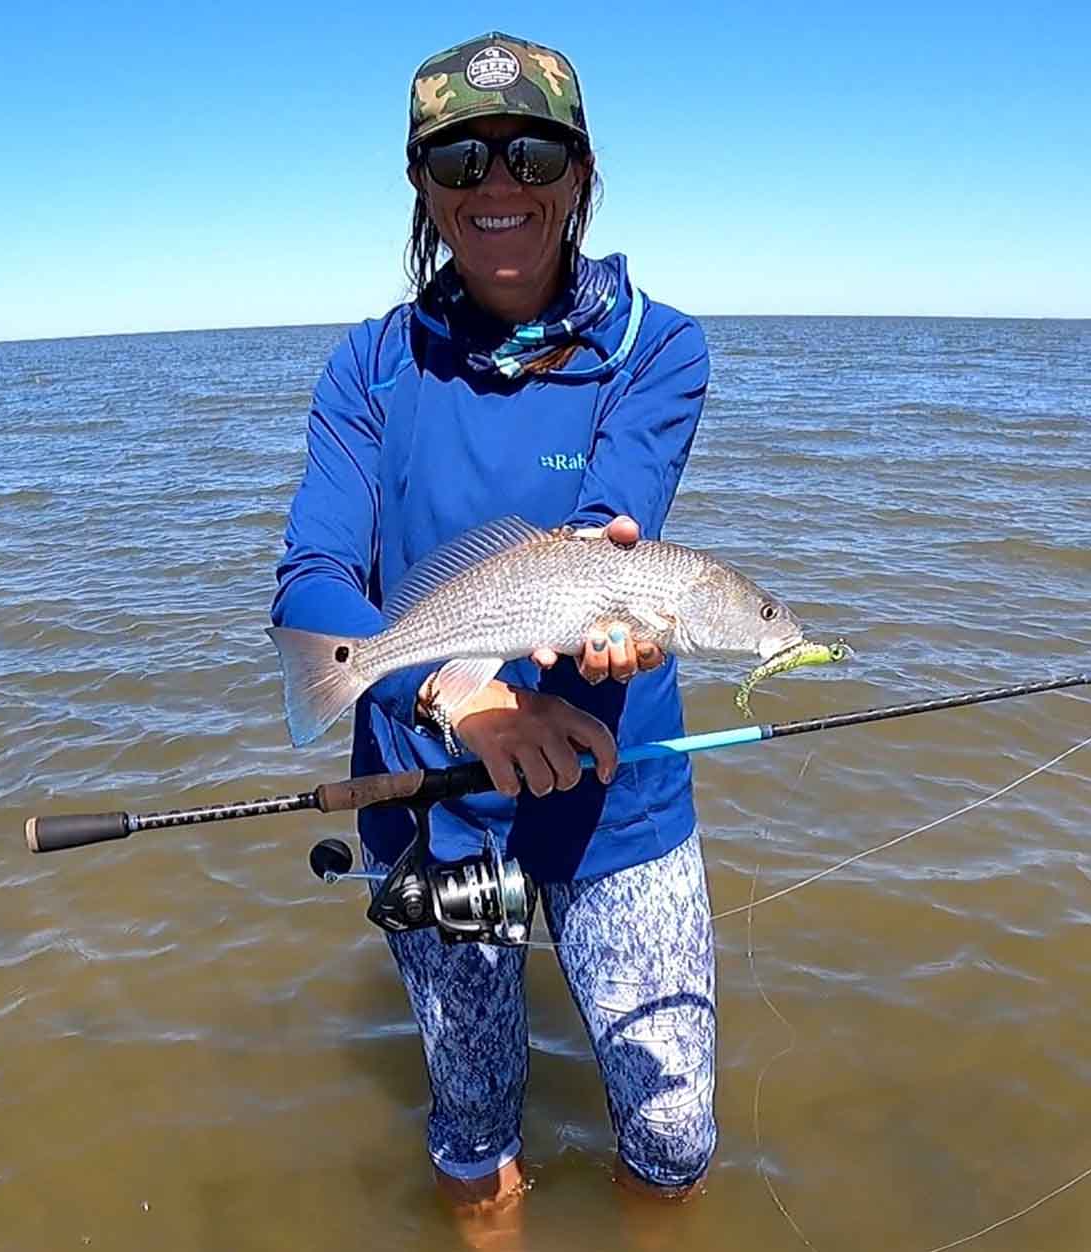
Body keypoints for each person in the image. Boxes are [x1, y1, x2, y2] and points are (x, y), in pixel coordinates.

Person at [269, 30, 716, 1229]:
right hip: (429, 795)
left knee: (674, 1130)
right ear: (420, 188)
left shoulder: (656, 345)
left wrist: (606, 627)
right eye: (458, 161)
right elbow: (312, 579)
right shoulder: (369, 367)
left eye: (530, 151)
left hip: (608, 782)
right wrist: (448, 690)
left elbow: (608, 532)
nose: (497, 186)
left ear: (579, 172)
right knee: (471, 1135)